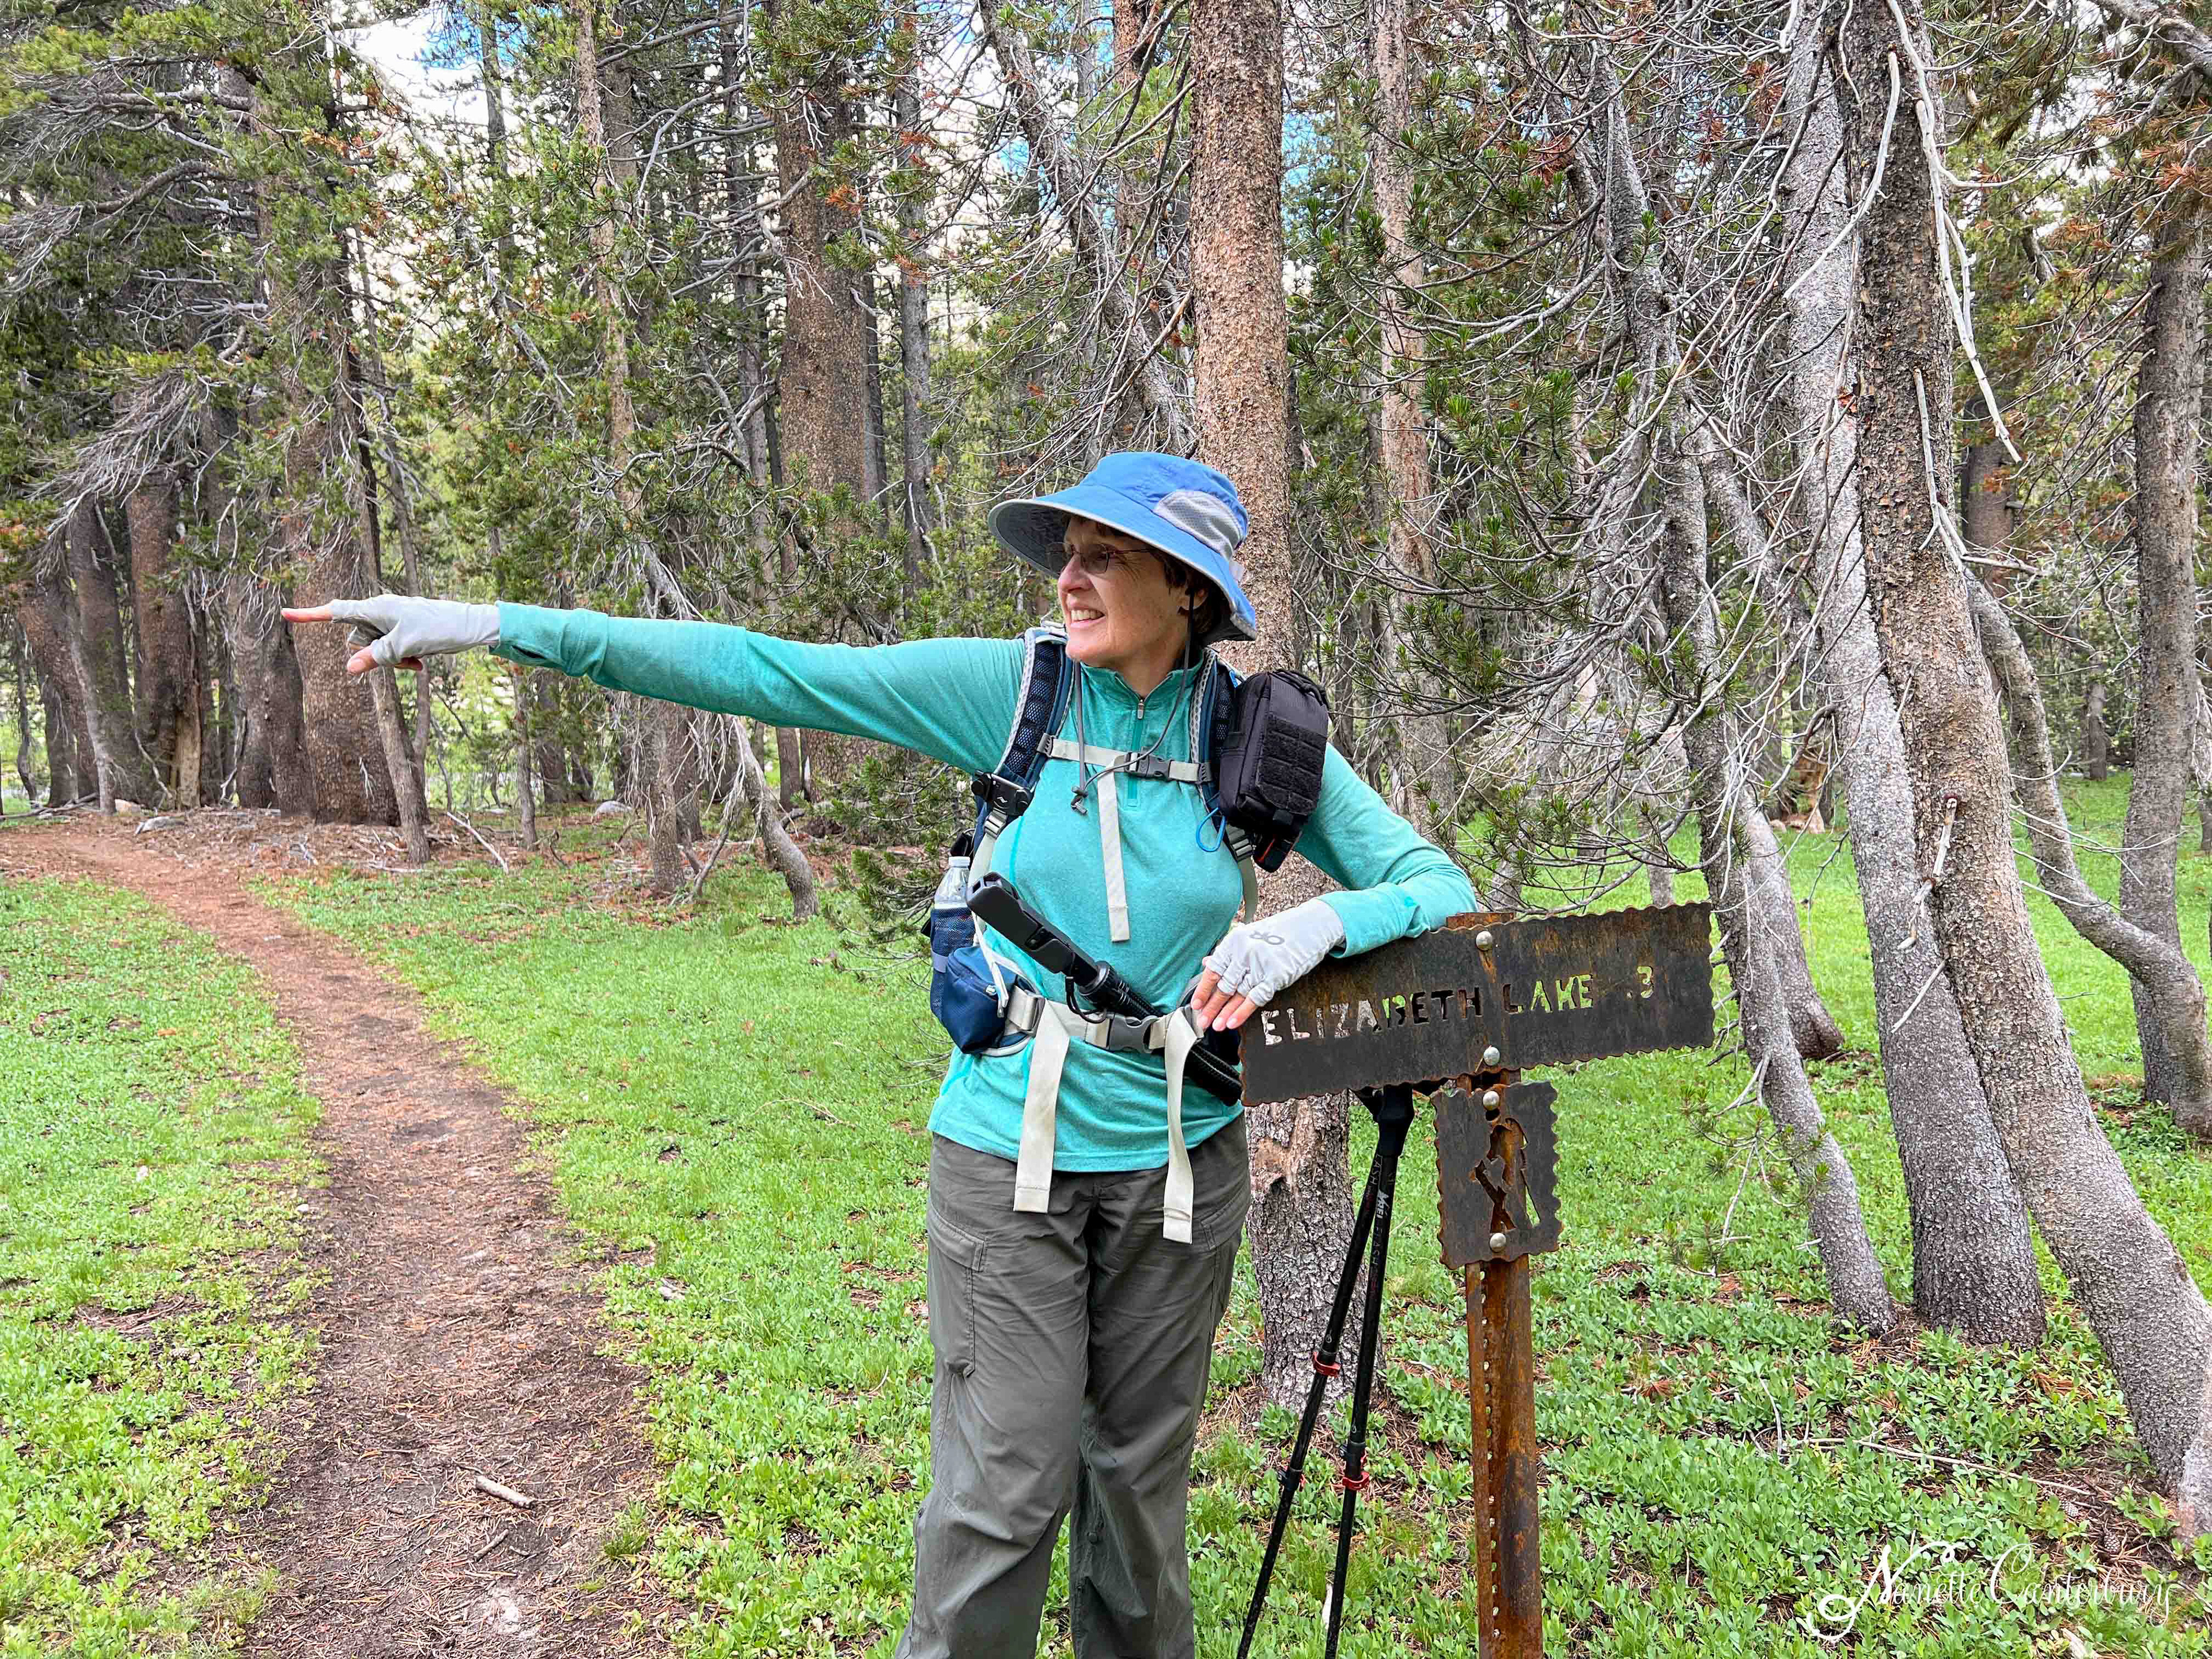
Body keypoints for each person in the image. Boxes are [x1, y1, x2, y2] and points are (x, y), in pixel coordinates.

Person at [285, 450, 1474, 1658]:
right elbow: (763, 670)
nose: (1070, 575)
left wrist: (1315, 927)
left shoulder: (1258, 739)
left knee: (1136, 1493)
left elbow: (1435, 884)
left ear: (1187, 588)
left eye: (1102, 555)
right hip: (1006, 1152)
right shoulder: (1012, 692)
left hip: (1182, 1167)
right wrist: (493, 625)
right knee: (1004, 1494)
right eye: (1066, 551)